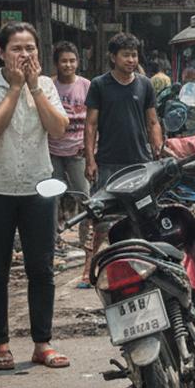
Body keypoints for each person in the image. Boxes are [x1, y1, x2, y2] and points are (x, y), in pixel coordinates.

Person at [0, 22, 70, 370]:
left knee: (41, 269)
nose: (25, 55)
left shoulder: (45, 85)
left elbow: (58, 129)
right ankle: (0, 345)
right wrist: (14, 89)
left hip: (38, 188)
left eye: (30, 48)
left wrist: (34, 89)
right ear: (0, 52)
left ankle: (42, 343)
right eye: (17, 49)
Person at [84, 33, 162, 280]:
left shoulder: (145, 84)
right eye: (126, 55)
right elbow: (91, 124)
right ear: (113, 57)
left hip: (140, 163)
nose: (131, 60)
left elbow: (152, 121)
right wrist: (90, 159)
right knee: (101, 218)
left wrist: (157, 147)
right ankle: (89, 268)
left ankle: (143, 265)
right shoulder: (99, 84)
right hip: (107, 161)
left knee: (143, 216)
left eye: (134, 55)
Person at [47, 42, 92, 277]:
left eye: (72, 61)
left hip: (78, 151)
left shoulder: (86, 86)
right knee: (50, 198)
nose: (68, 65)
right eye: (64, 61)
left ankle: (88, 242)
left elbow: (94, 121)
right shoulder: (49, 86)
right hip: (52, 150)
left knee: (84, 197)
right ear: (57, 63)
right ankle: (52, 241)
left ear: (78, 62)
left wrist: (91, 148)